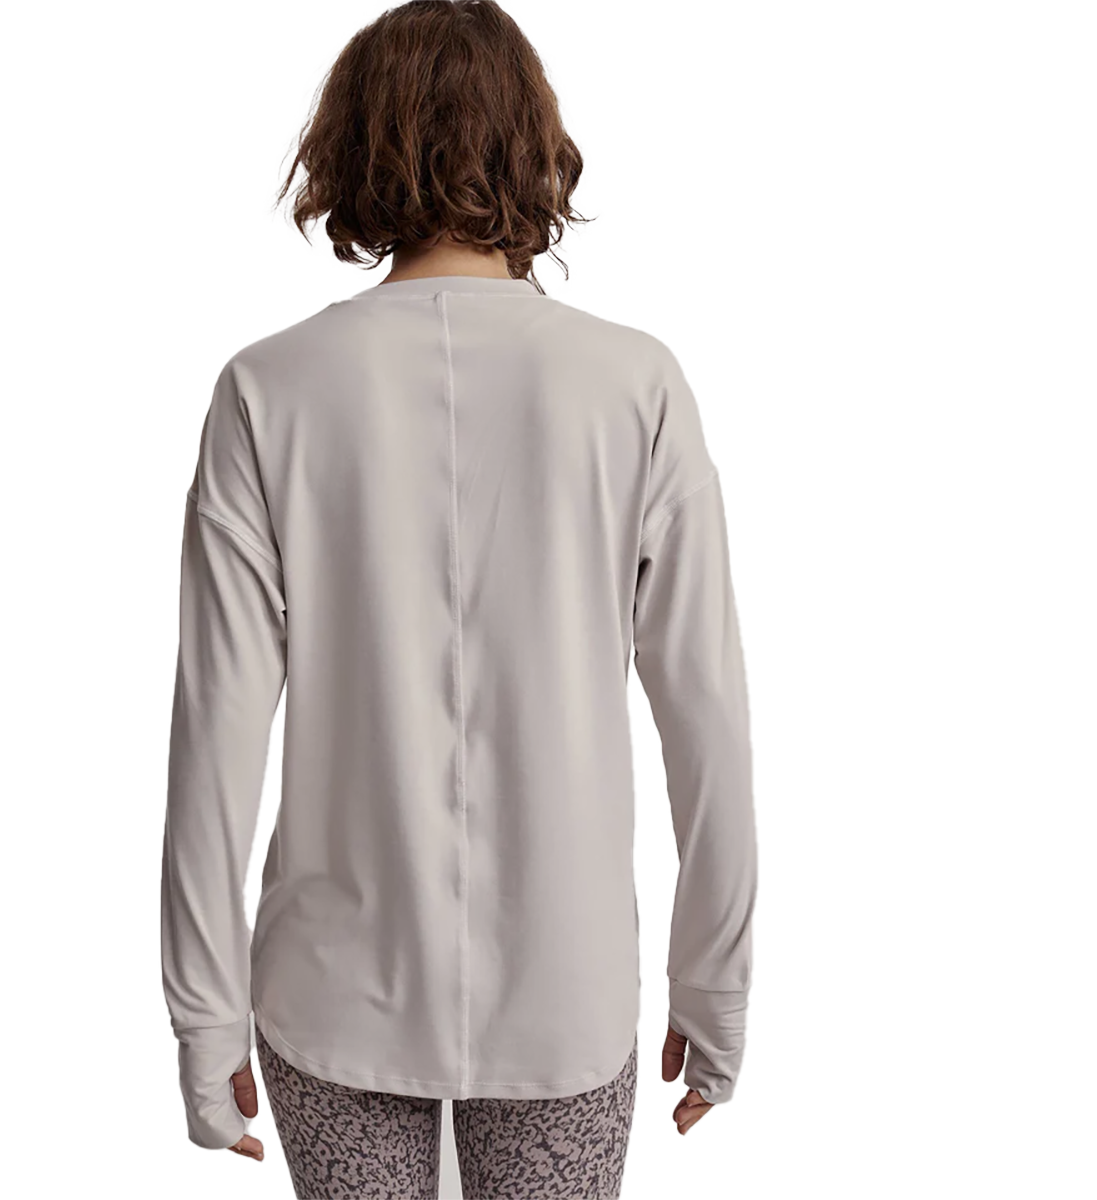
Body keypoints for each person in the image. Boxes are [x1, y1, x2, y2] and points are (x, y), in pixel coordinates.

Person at [159, 1, 758, 1196]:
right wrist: (718, 984)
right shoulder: (633, 386)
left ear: (350, 148)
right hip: (566, 988)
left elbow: (216, 734)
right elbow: (711, 722)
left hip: (332, 986)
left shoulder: (267, 392)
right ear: (532, 146)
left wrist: (204, 1015)